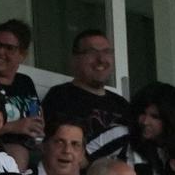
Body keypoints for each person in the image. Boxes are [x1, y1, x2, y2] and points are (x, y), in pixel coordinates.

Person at [41, 30, 131, 160]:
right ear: (75, 59)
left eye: (106, 52)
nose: (101, 59)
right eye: (92, 52)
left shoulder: (121, 104)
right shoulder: (60, 96)